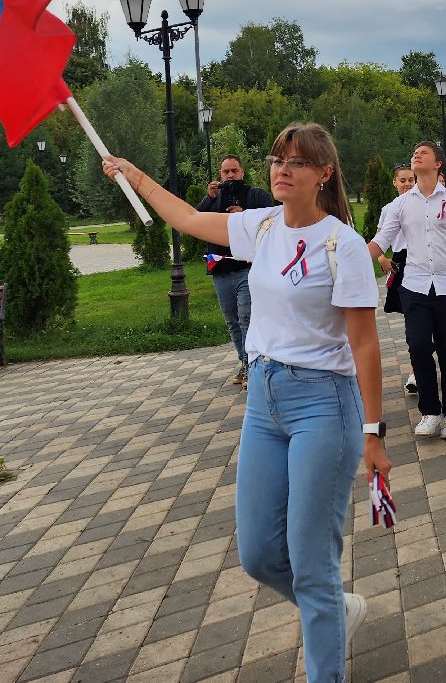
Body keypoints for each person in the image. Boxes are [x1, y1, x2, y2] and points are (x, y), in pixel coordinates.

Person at [101, 123, 387, 682]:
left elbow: (365, 343)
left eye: (296, 162)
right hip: (264, 400)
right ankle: (336, 607)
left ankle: (325, 647)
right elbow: (187, 219)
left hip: (323, 405)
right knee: (257, 554)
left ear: (323, 174)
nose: (281, 169)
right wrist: (134, 175)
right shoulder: (260, 226)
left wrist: (374, 432)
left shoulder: (343, 244)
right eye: (277, 159)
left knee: (311, 563)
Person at [369, 141, 446, 440]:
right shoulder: (400, 205)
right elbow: (381, 240)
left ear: (437, 163)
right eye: (414, 153)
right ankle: (430, 411)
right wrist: (348, 262)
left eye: (423, 153)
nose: (416, 155)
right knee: (419, 346)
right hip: (414, 288)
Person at [197, 155, 275, 385]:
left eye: (234, 171)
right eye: (225, 172)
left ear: (242, 172)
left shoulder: (256, 195)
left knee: (247, 317)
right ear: (220, 174)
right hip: (221, 268)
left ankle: (254, 366)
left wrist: (245, 215)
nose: (230, 176)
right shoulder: (214, 197)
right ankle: (244, 362)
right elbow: (196, 220)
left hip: (248, 268)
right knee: (231, 320)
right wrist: (208, 198)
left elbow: (274, 220)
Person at [376, 163, 417, 394]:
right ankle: (416, 370)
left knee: (422, 319)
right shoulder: (388, 208)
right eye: (402, 180)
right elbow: (380, 238)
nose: (407, 184)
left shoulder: (422, 205)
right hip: (400, 263)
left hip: (422, 260)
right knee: (411, 320)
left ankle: (419, 369)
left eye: (411, 179)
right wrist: (381, 258)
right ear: (394, 183)